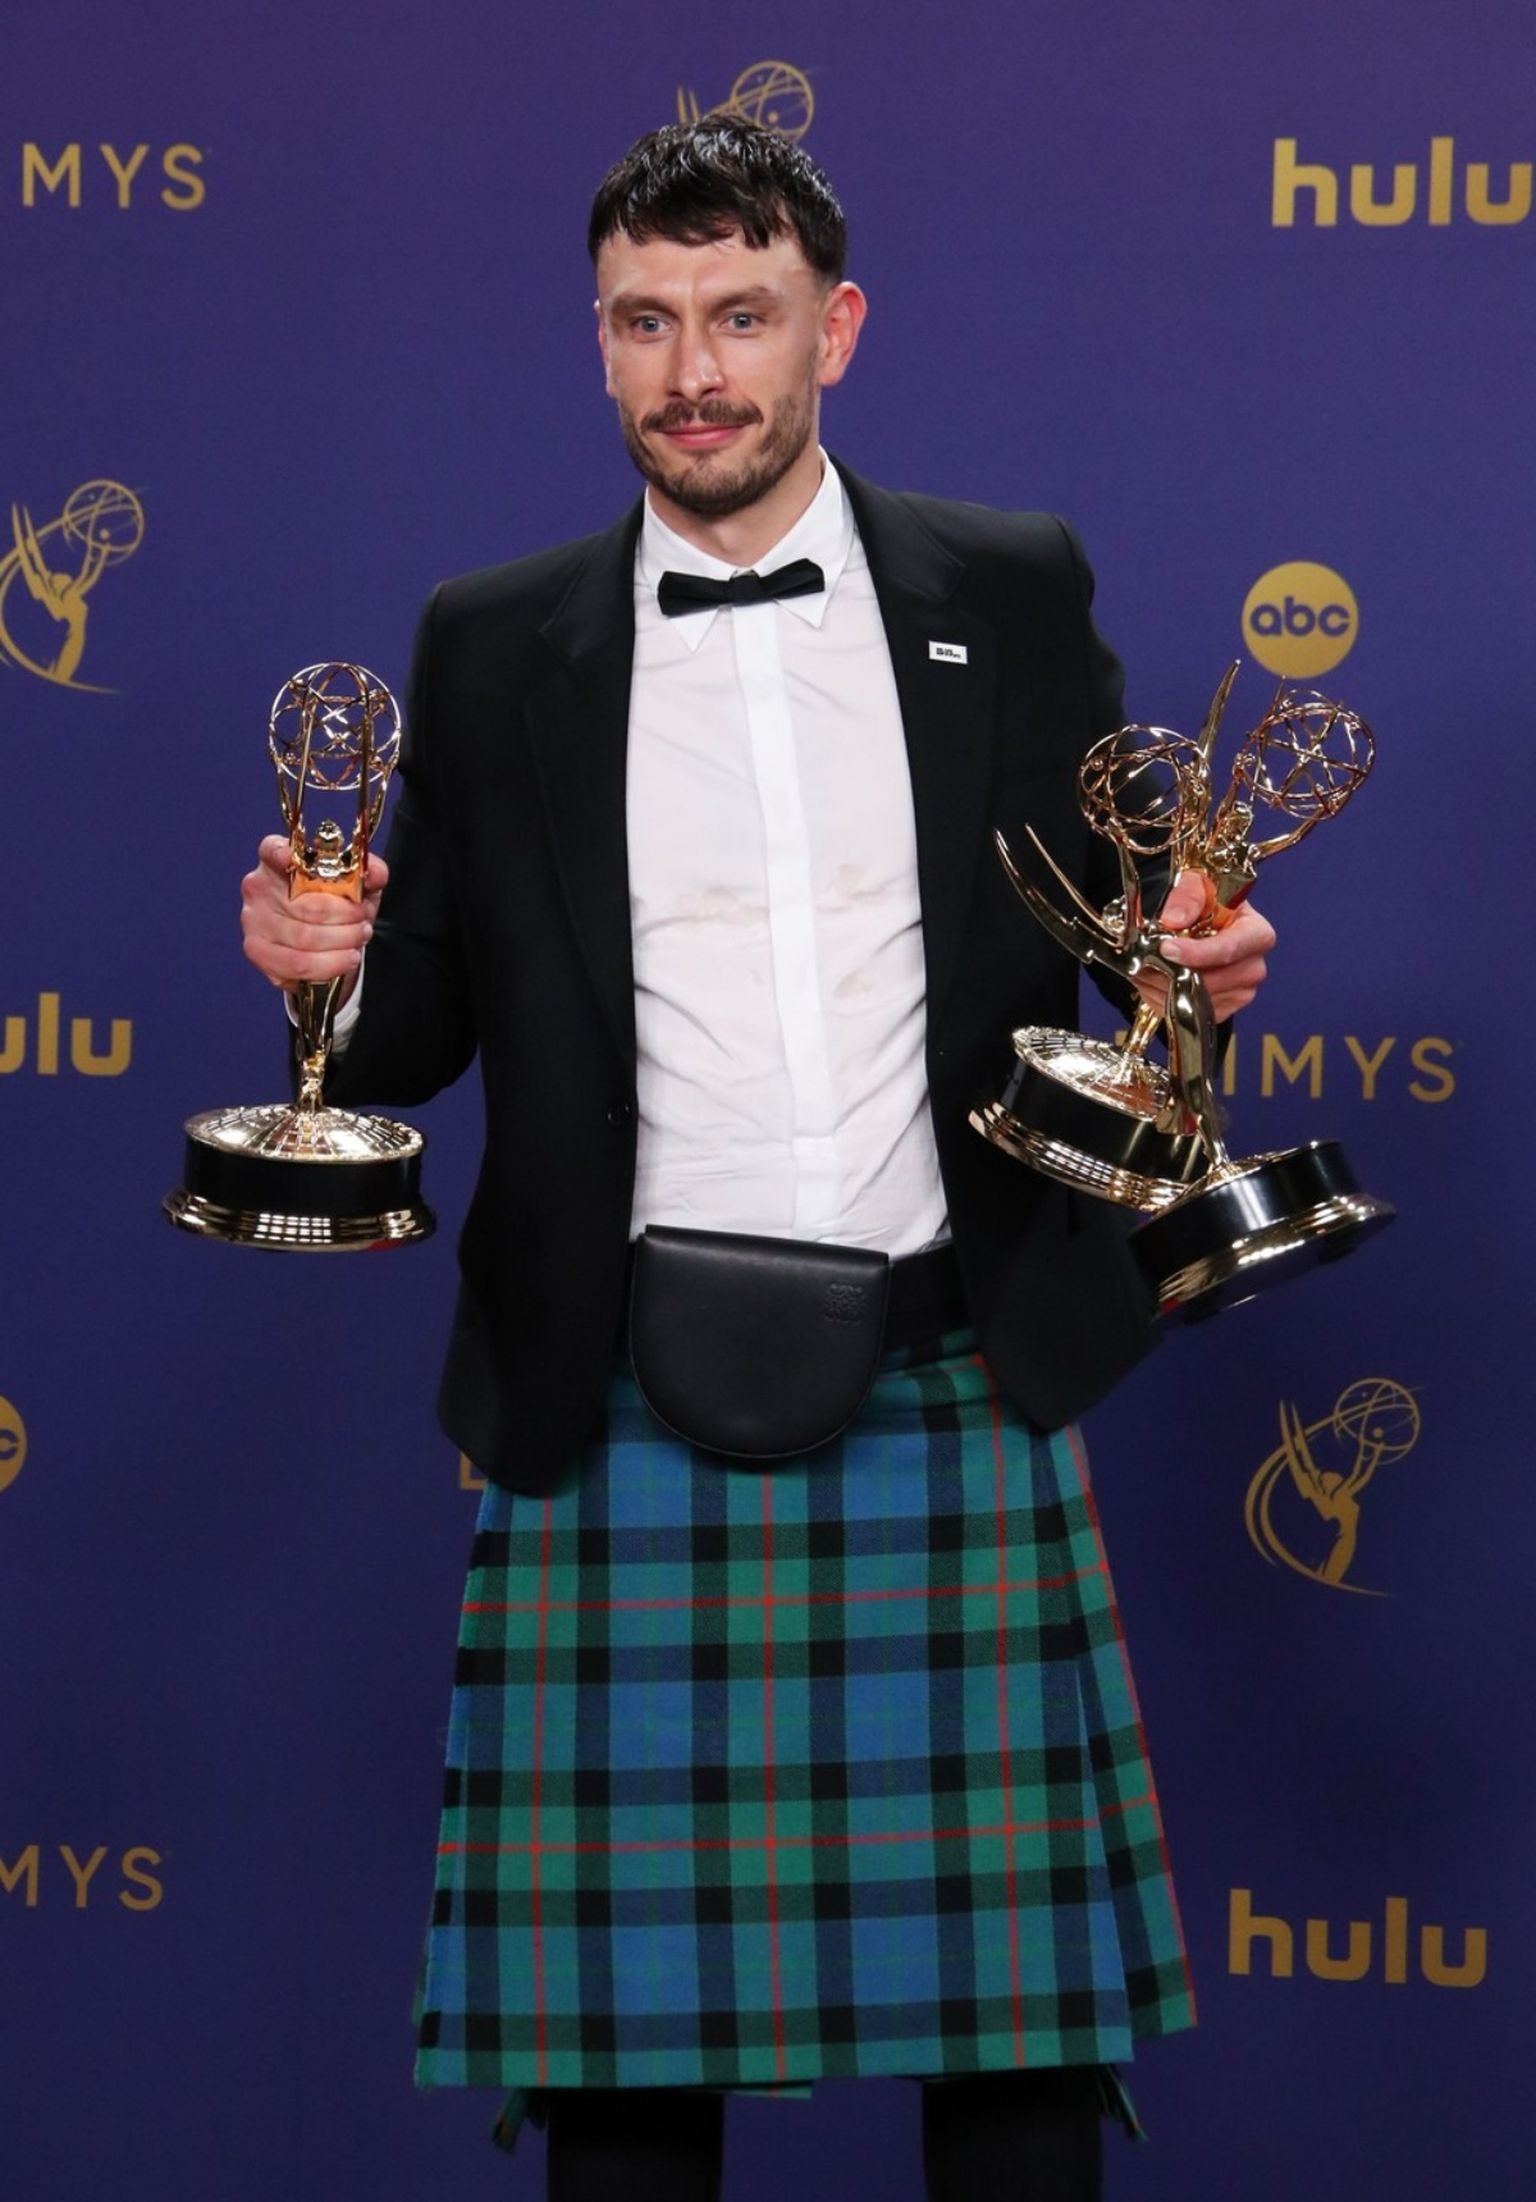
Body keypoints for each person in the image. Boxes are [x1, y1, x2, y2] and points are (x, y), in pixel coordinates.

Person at [241, 116, 1274, 2202]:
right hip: (618, 1393)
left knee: (1018, 2068)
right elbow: (418, 1033)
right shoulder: (493, 641)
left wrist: (1204, 968)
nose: (692, 370)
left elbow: (1134, 936)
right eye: (645, 322)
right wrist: (314, 968)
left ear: (836, 328)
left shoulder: (1009, 586)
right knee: (625, 2085)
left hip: (956, 1372)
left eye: (741, 315)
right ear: (599, 340)